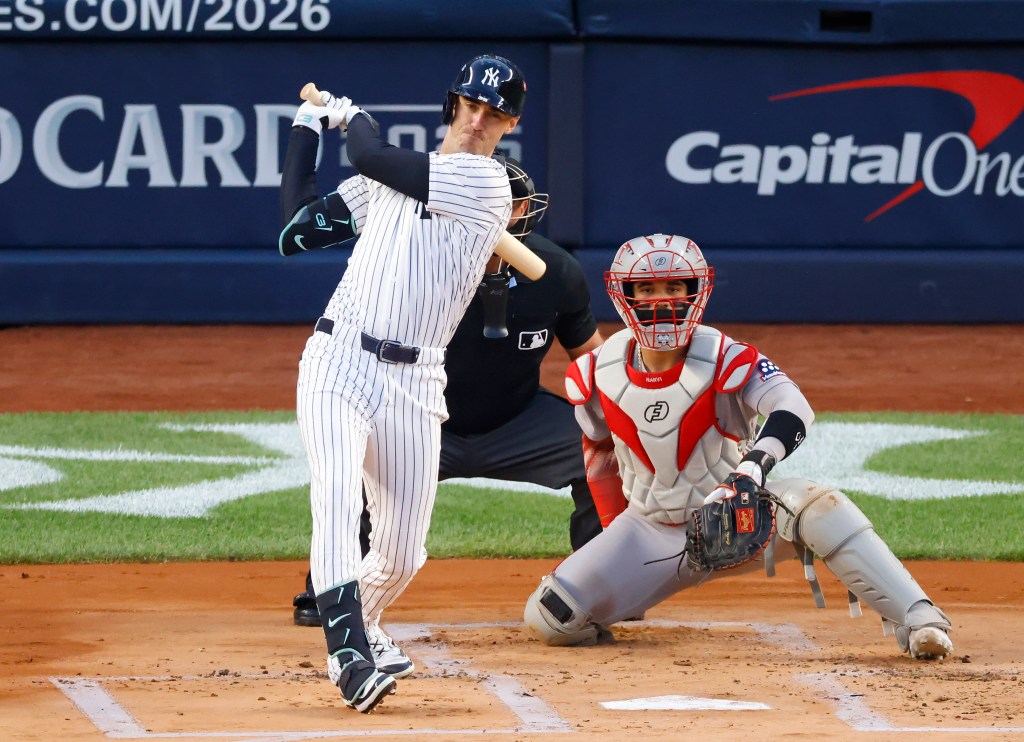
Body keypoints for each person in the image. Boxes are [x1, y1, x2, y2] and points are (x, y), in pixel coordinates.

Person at [523, 233, 955, 662]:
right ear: (625, 296)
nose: (662, 301)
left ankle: (920, 621)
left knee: (818, 507)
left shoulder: (727, 356)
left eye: (675, 287)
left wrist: (753, 467)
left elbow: (793, 407)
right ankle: (632, 597)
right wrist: (613, 539)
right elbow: (599, 457)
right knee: (552, 618)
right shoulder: (597, 371)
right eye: (648, 289)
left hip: (744, 519)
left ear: (695, 293)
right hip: (648, 531)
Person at [278, 54, 527, 713]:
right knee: (335, 491)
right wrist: (307, 127)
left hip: (417, 381)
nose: (478, 121)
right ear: (453, 105)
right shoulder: (390, 179)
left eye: (494, 113)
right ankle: (348, 654)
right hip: (340, 359)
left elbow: (373, 156)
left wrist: (353, 117)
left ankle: (367, 623)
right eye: (471, 107)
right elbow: (298, 228)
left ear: (508, 124)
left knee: (401, 552)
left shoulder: (486, 184)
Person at [291, 158, 607, 645]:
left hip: (516, 423)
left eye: (510, 200)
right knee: (354, 462)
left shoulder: (555, 272)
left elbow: (594, 361)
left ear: (521, 209)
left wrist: (642, 408)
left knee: (603, 451)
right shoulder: (413, 262)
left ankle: (598, 590)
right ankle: (332, 595)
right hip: (419, 421)